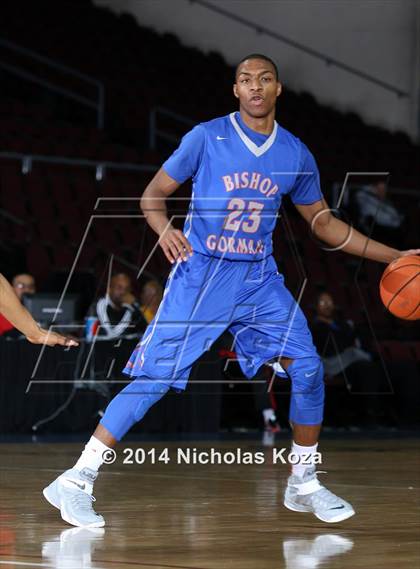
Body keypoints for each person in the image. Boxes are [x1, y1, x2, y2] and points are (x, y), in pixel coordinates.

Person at [43, 53, 420, 528]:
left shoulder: (295, 152)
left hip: (259, 279)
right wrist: (163, 229)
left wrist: (397, 257)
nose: (256, 86)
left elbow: (323, 224)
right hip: (202, 274)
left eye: (265, 79)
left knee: (307, 368)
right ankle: (75, 481)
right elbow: (152, 196)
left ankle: (303, 484)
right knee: (154, 380)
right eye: (246, 80)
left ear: (278, 89)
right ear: (236, 90)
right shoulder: (206, 136)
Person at [310, 290, 389, 426]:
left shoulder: (340, 324)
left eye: (330, 302)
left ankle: (381, 412)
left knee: (376, 368)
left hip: (350, 362)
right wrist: (347, 336)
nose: (327, 305)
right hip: (331, 364)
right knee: (366, 368)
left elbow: (356, 338)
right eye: (323, 302)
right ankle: (369, 415)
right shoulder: (316, 326)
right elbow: (332, 348)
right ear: (316, 306)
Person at [0, 273, 77, 347]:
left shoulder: (41, 311)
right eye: (21, 286)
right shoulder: (3, 311)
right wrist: (35, 334)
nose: (26, 289)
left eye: (31, 286)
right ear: (11, 288)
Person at [93, 273, 147, 339]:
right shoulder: (97, 307)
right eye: (119, 287)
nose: (123, 292)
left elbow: (146, 331)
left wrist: (135, 306)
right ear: (109, 288)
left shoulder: (132, 311)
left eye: (126, 289)